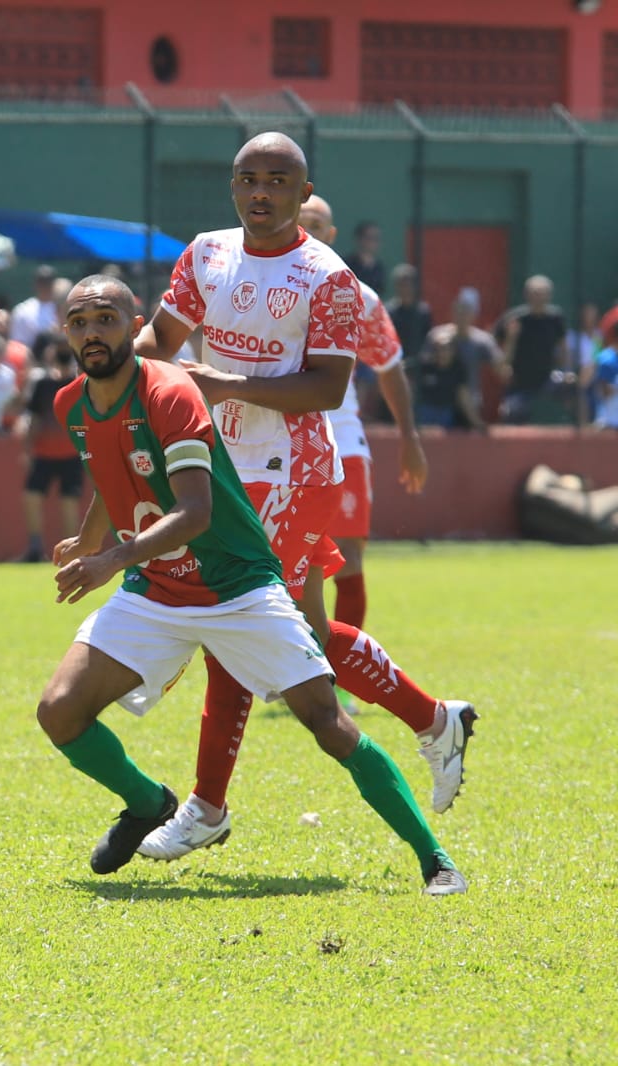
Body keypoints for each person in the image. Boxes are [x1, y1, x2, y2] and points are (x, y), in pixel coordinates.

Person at [37, 274, 465, 896]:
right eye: (79, 321)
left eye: (105, 318)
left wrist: (109, 558)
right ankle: (148, 802)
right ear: (65, 332)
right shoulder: (71, 403)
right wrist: (89, 538)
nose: (91, 332)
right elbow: (114, 470)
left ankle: (435, 858)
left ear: (135, 327)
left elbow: (195, 513)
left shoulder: (171, 393)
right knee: (59, 712)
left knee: (325, 719)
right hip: (155, 589)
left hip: (236, 586)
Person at [132, 133, 475, 861]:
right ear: (233, 187)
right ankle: (435, 718)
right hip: (218, 466)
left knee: (236, 619)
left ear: (301, 190)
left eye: (278, 181)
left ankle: (206, 807)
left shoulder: (329, 276)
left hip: (293, 471)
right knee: (305, 638)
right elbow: (161, 340)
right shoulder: (205, 253)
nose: (262, 193)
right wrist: (113, 372)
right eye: (250, 179)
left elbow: (328, 386)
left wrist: (225, 384)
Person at [296, 196, 428, 699]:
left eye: (315, 224)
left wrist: (409, 440)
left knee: (347, 557)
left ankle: (336, 675)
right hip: (270, 441)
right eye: (298, 220)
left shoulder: (358, 296)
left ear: (330, 236)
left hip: (340, 438)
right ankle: (292, 668)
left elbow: (389, 365)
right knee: (280, 563)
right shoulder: (254, 283)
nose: (304, 229)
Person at [19, 332, 83, 563]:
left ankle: (70, 551)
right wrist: (28, 449)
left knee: (69, 503)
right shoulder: (43, 383)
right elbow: (34, 418)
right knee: (32, 497)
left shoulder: (78, 383)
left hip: (71, 453)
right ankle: (35, 548)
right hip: (44, 453)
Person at [415, 288, 502, 430]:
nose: (461, 315)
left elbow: (501, 370)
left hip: (469, 400)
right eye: (459, 310)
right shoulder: (437, 337)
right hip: (438, 398)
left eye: (466, 311)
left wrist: (511, 339)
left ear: (474, 314)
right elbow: (424, 367)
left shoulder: (483, 341)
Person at [496, 275, 570, 424]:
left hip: (548, 380)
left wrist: (566, 371)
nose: (539, 299)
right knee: (510, 412)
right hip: (520, 383)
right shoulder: (514, 319)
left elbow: (563, 349)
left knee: (575, 388)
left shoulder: (555, 319)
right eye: (535, 294)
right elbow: (499, 356)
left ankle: (585, 432)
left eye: (543, 294)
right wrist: (511, 339)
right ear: (527, 295)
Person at [9, 265, 60, 349]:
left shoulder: (62, 309)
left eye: (49, 281)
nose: (45, 285)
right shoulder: (22, 310)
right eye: (42, 281)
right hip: (31, 359)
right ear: (35, 283)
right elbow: (17, 345)